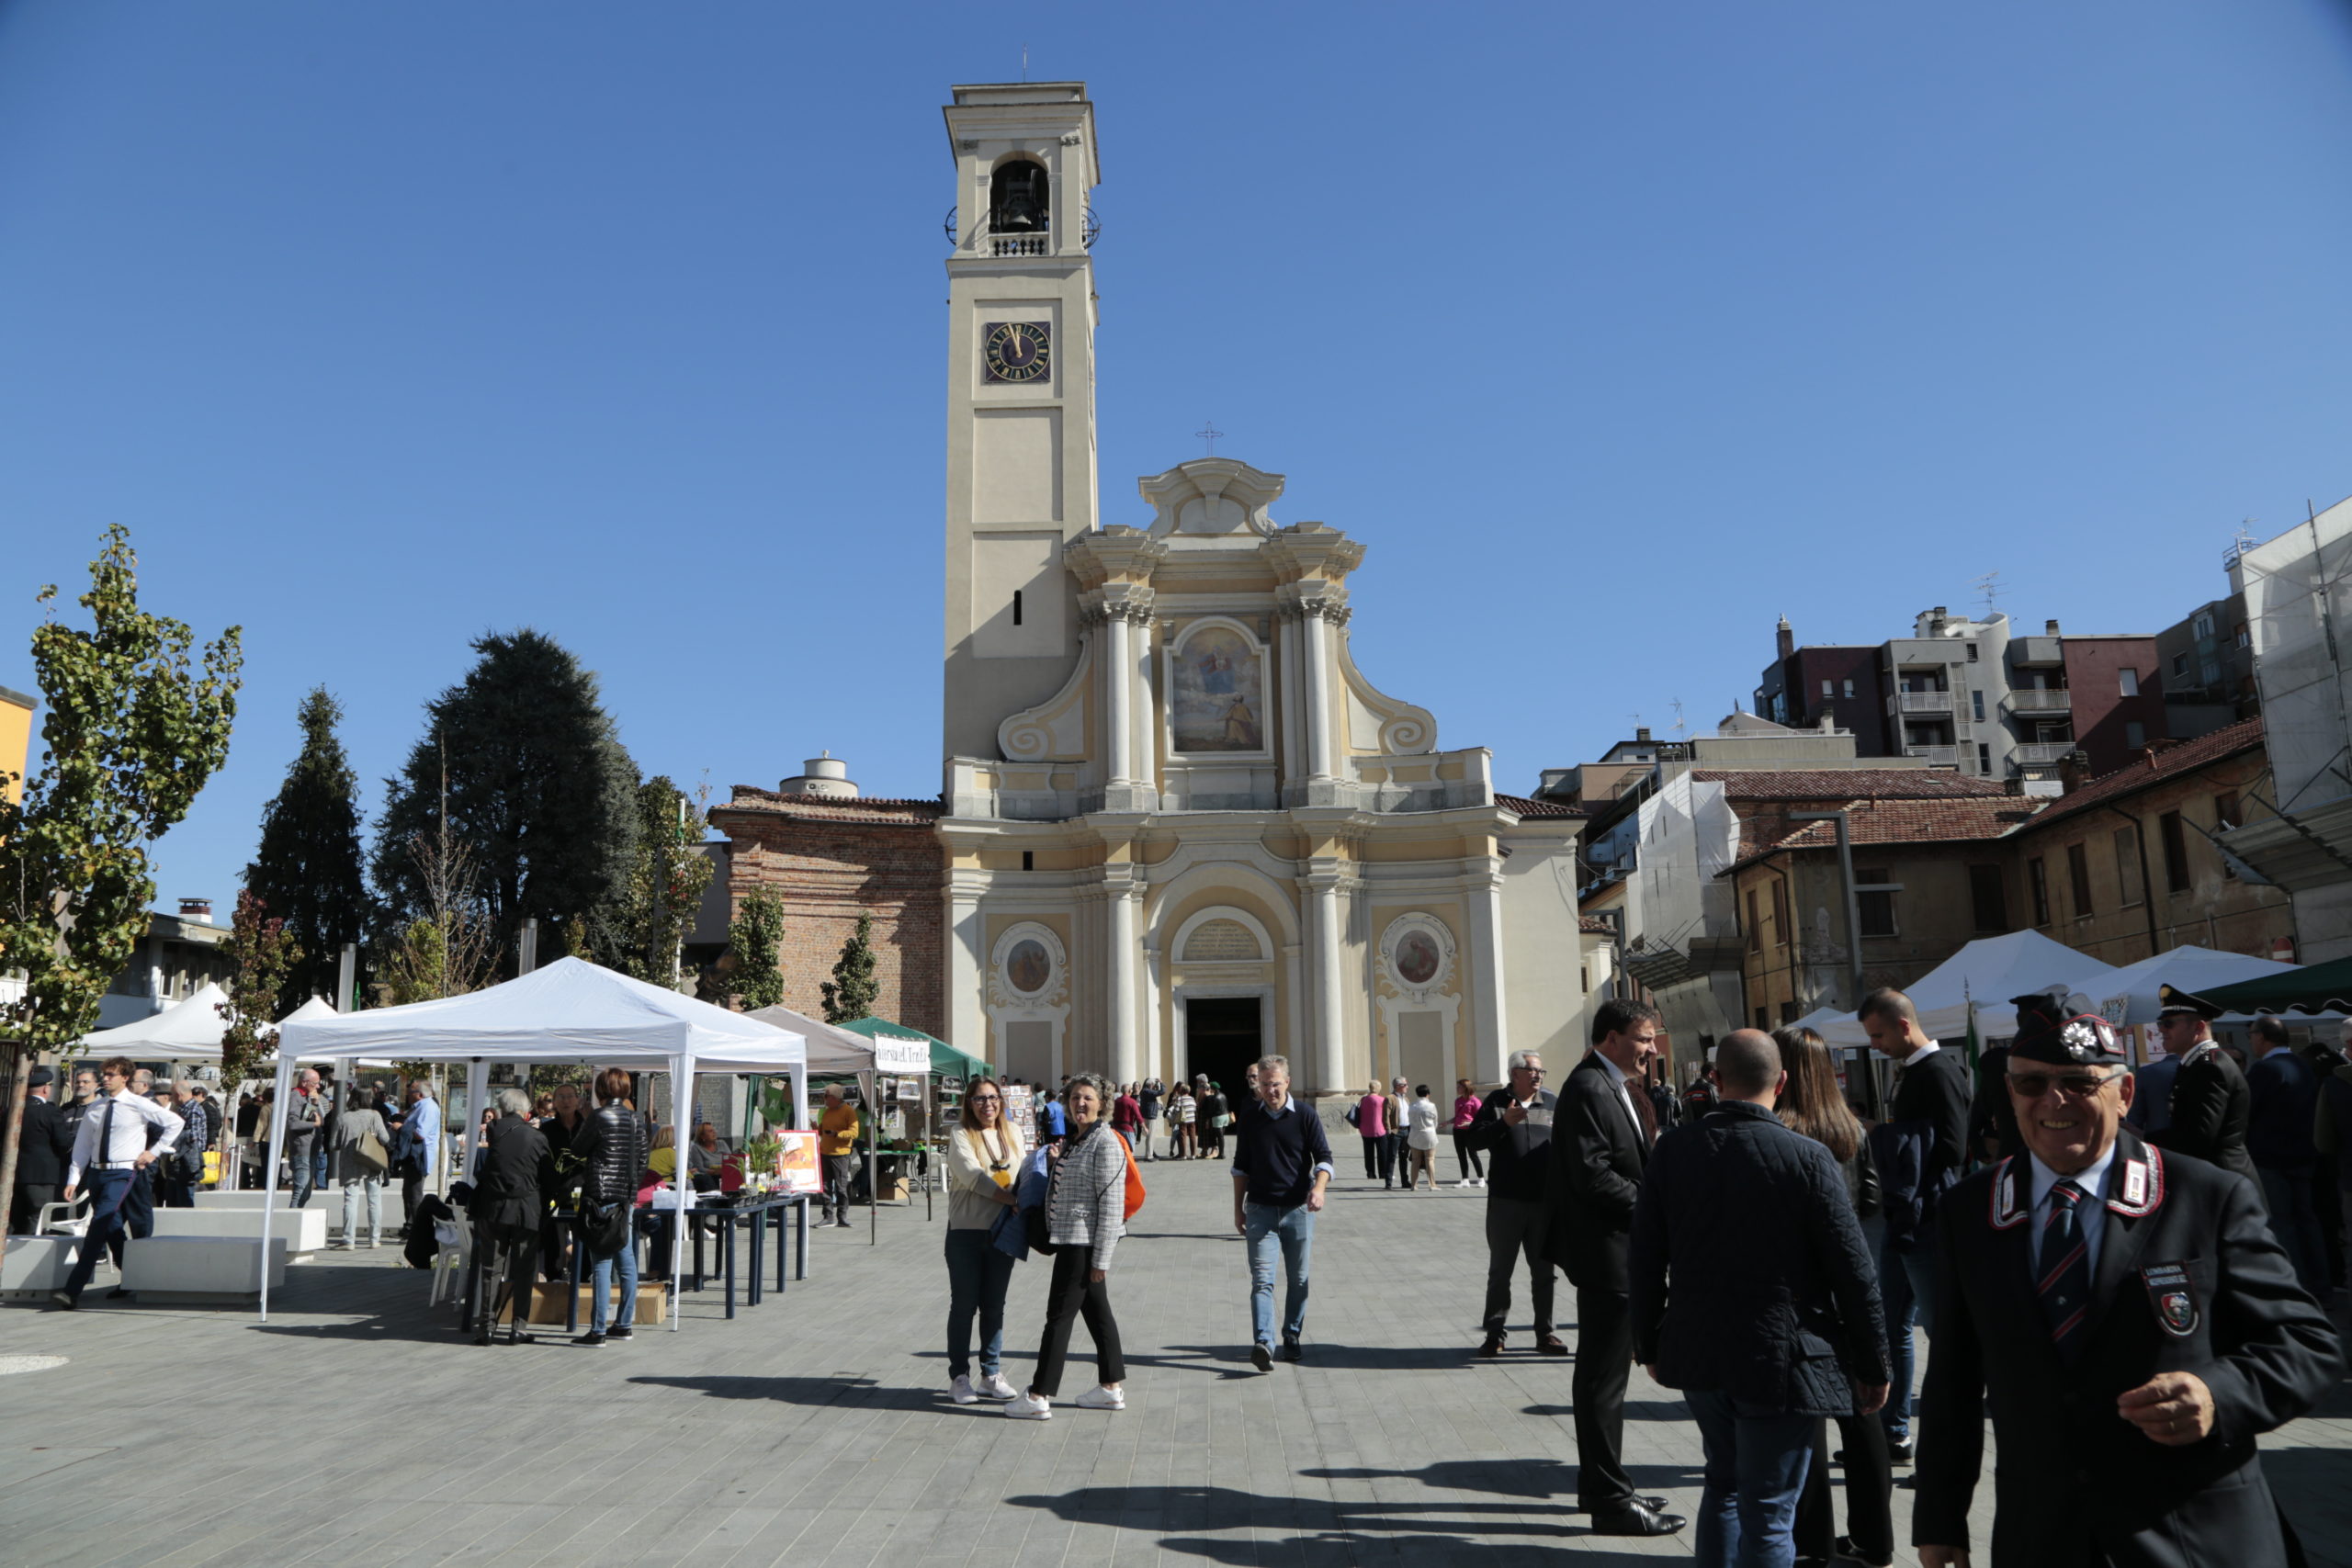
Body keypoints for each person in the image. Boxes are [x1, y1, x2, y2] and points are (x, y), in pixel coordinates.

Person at [1912, 989, 2341, 1568]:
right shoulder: (1971, 1211)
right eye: (2031, 1084)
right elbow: (1952, 1380)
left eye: (2079, 1083)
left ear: (2124, 1093)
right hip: (2044, 1537)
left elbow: (2307, 1346)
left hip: (2190, 1535)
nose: (2053, 1100)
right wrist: (1941, 1519)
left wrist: (2218, 1395)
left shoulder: (2205, 1196)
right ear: (2009, 1093)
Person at [1634, 1030, 1884, 1567]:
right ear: (1783, 1081)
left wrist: (1648, 1340)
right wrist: (1874, 1361)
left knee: (1723, 1484)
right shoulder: (1808, 1157)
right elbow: (1854, 1270)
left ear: (1716, 1081)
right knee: (1770, 1508)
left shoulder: (1673, 1150)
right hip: (1780, 1355)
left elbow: (1646, 1257)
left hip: (1700, 1348)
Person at [1544, 999, 1681, 1537]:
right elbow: (1592, 1175)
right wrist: (1655, 1203)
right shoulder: (1587, 1087)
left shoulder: (1611, 1084)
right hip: (1607, 1257)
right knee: (1603, 1383)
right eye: (1644, 1038)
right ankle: (1610, 1501)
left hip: (1620, 1253)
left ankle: (1605, 1487)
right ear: (1610, 1038)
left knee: (1607, 1381)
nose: (1652, 1048)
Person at [1775, 1026, 1894, 1568]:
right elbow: (1871, 1198)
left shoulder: (1782, 1132)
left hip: (1802, 1294)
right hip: (1852, 1284)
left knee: (1808, 1417)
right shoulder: (1851, 1127)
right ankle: (1875, 1540)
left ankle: (1813, 1544)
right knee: (1862, 1413)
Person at [1857, 987, 1970, 1463]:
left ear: (1904, 1026)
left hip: (1927, 1220)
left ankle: (1944, 1449)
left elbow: (1954, 1148)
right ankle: (1893, 1432)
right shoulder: (1912, 1071)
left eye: (1879, 1035)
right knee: (1891, 1325)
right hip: (1904, 1218)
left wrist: (1888, 1142)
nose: (1875, 1045)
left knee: (1941, 1334)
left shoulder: (1939, 1071)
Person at [1005, 1074, 1128, 1419]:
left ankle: (1038, 1394)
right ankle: (1110, 1388)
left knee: (1057, 1318)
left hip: (1083, 1244)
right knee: (1098, 1314)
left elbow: (1111, 1205)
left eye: (1088, 1098)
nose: (1080, 1104)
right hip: (1074, 1240)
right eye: (1075, 1098)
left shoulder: (1105, 1142)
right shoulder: (1079, 1138)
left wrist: (1101, 1260)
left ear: (1102, 1103)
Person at [54, 1056, 185, 1309]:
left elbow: (175, 1123)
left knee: (99, 1223)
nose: (106, 1078)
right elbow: (82, 1146)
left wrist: (153, 1152)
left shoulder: (137, 1104)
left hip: (123, 1171)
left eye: (111, 1074)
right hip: (97, 1173)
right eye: (104, 1074)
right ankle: (134, 1277)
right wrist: (74, 1178)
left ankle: (72, 1289)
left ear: (125, 1077)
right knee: (112, 1227)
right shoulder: (96, 1107)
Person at [1231, 1054, 1332, 1371]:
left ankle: (1291, 1334)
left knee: (1298, 1279)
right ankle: (1263, 1342)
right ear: (1257, 1085)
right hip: (1260, 1209)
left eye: (1275, 1084)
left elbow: (1324, 1157)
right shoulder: (1249, 1117)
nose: (1270, 1091)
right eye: (1264, 1085)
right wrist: (1238, 1209)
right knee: (1262, 1280)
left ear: (1287, 1082)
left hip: (1298, 1211)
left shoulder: (1305, 1115)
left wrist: (1319, 1188)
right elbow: (1240, 1167)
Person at [1469, 1051, 1562, 1358]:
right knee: (1500, 1273)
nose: (1537, 1075)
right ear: (1515, 1073)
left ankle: (1546, 1334)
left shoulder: (1550, 1102)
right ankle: (1495, 1335)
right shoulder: (1496, 1101)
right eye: (1531, 1070)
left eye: (1540, 1070)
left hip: (1543, 1203)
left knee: (1544, 1273)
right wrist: (1503, 1124)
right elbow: (1474, 1140)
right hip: (1506, 1203)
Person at [944, 1076, 1026, 1402]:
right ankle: (959, 1377)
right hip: (966, 1231)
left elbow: (1023, 1174)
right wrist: (1011, 1200)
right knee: (964, 1305)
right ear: (969, 1103)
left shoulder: (1014, 1133)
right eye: (979, 1099)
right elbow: (971, 1174)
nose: (987, 1104)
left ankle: (990, 1373)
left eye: (992, 1098)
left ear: (1001, 1102)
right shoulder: (960, 1134)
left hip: (1003, 1231)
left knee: (994, 1305)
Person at [2245, 1015, 2328, 1293]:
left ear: (2262, 1037)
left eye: (2252, 1035)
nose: (2251, 1041)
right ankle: (2321, 1283)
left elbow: (2246, 1112)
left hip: (2271, 1159)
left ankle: (2297, 1287)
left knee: (2282, 1223)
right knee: (2307, 1220)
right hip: (2304, 1156)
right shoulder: (2304, 1067)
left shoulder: (2265, 1070)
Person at [469, 1088, 554, 1346]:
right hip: (526, 1209)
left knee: (490, 1269)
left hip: (493, 1208)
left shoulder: (493, 1132)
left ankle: (487, 1327)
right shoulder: (535, 1136)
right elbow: (549, 1177)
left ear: (502, 1107)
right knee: (525, 1269)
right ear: (525, 1110)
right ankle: (518, 1327)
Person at [571, 1066, 649, 1347]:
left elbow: (578, 1149)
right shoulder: (635, 1119)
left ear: (601, 1089)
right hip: (625, 1199)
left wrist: (583, 1120)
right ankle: (624, 1323)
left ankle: (597, 1330)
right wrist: (630, 1189)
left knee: (601, 1262)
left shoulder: (599, 1116)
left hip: (600, 1196)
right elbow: (643, 1160)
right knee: (627, 1262)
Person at [2151, 1003, 2257, 1187]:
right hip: (2215, 1177)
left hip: (2223, 1181)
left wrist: (2144, 1141)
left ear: (2198, 1027)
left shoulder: (2209, 1067)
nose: (2161, 1030)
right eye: (2160, 1023)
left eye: (2168, 1023)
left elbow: (2198, 1139)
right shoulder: (2198, 1064)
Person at [10, 1066, 74, 1235]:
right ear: (46, 1088)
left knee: (14, 1217)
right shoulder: (49, 1112)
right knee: (38, 1216)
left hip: (14, 1173)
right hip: (42, 1175)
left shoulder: (12, 1111)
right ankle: (32, 1254)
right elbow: (63, 1143)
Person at [332, 1085, 392, 1249]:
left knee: (350, 1201)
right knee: (374, 1201)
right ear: (369, 1098)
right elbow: (385, 1139)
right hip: (372, 1162)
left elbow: (333, 1144)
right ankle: (374, 1239)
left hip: (350, 1163)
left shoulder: (343, 1117)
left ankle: (348, 1240)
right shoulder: (375, 1115)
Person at [388, 1080, 440, 1238]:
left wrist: (401, 1128)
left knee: (415, 1193)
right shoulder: (419, 1107)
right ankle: (410, 1226)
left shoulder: (428, 1107)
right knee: (408, 1192)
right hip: (412, 1155)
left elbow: (420, 1133)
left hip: (419, 1155)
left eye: (411, 1093)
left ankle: (419, 1230)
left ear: (420, 1094)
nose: (408, 1096)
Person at [283, 1067, 326, 1208]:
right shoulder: (296, 1096)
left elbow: (311, 1117)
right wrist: (315, 1123)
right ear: (304, 1082)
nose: (318, 1086)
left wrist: (314, 1104)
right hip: (302, 1150)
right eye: (315, 1083)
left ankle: (296, 1217)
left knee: (306, 1192)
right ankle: (291, 1220)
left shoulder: (307, 1097)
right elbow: (293, 1123)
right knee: (301, 1189)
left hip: (311, 1149)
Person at [818, 1085, 860, 1228]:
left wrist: (837, 1134)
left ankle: (842, 1216)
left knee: (841, 1188)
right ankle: (827, 1216)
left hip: (840, 1154)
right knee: (825, 1187)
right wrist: (816, 1129)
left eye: (826, 1096)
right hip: (824, 1152)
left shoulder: (848, 1111)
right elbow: (822, 1130)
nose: (825, 1100)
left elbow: (854, 1133)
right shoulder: (827, 1112)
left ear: (835, 1098)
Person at [1403, 1084, 1441, 1191]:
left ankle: (1414, 1185)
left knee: (1415, 1160)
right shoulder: (1431, 1106)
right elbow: (1435, 1121)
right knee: (1430, 1159)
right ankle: (1432, 1184)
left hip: (1415, 1134)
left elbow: (1409, 1119)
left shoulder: (1412, 1105)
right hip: (1428, 1134)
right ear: (1428, 1094)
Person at [1451, 1078, 1486, 1187]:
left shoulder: (1475, 1101)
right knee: (1461, 1156)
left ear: (1465, 1088)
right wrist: (1448, 1122)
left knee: (1473, 1154)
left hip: (1470, 1131)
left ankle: (1481, 1178)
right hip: (1457, 1131)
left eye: (1459, 1087)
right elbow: (1458, 1116)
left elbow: (1481, 1118)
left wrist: (1470, 1123)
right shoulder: (1458, 1101)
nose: (1457, 1089)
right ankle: (1465, 1179)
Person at [1353, 1079, 1389, 1183]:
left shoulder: (1363, 1099)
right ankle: (1383, 1172)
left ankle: (1370, 1173)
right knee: (1382, 1152)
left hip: (1365, 1129)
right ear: (1378, 1088)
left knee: (1368, 1152)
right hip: (1380, 1129)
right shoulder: (1382, 1100)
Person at [1111, 1083, 1143, 1151]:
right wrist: (1145, 1127)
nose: (1132, 1091)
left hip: (1117, 1128)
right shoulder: (1132, 1102)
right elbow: (1138, 1115)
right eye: (1131, 1089)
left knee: (1120, 1150)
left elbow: (1112, 1114)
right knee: (1130, 1151)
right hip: (1128, 1129)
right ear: (1129, 1091)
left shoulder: (1116, 1101)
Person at [1137, 1077, 1163, 1161]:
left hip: (1147, 1115)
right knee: (1151, 1136)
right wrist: (1161, 1084)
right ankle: (1149, 1156)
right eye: (1153, 1084)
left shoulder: (1144, 1091)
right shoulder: (1147, 1091)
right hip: (1150, 1116)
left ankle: (1149, 1153)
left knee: (1149, 1136)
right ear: (1150, 1085)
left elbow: (1156, 1093)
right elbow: (1161, 1092)